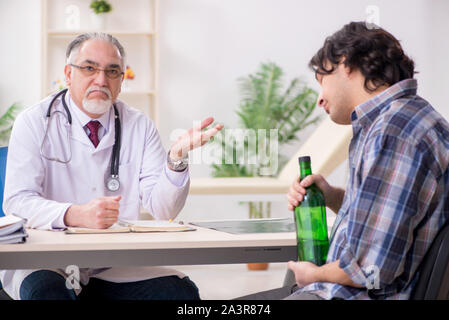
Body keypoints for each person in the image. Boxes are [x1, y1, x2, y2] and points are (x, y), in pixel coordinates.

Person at [0, 32, 223, 300]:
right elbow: (17, 201)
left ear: (121, 81)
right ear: (68, 74)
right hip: (48, 260)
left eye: (112, 71)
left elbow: (163, 209)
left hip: (113, 263)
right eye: (89, 68)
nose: (101, 79)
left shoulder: (139, 125)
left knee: (178, 294)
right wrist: (74, 214)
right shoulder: (35, 121)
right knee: (48, 294)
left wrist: (176, 159)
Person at [241, 21, 449, 300]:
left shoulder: (394, 132)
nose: (319, 100)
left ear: (344, 63)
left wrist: (313, 274)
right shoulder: (405, 119)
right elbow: (387, 223)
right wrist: (332, 196)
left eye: (321, 80)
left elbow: (372, 270)